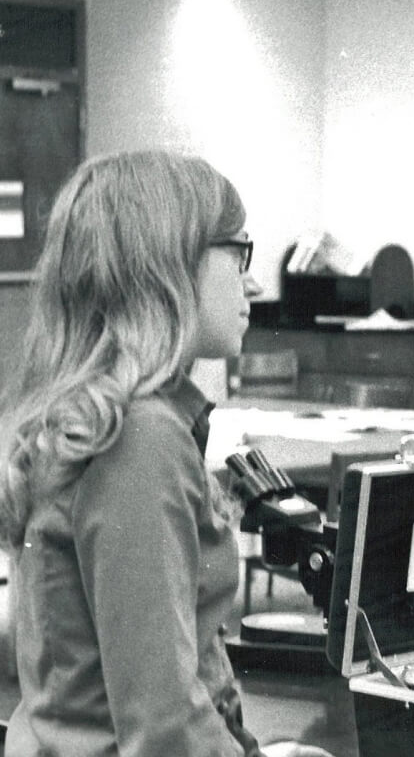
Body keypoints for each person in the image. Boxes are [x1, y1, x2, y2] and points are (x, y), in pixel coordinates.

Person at [0, 151, 328, 757]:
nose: (252, 281)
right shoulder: (138, 439)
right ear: (166, 266)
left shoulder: (95, 420)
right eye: (238, 253)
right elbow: (163, 728)